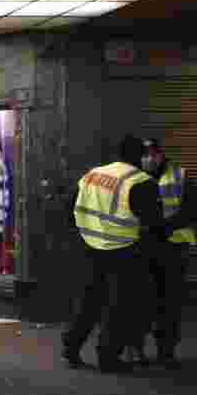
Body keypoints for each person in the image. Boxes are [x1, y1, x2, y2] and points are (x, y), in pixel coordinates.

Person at [62, 135, 163, 373]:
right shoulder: (140, 182)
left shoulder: (92, 175)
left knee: (89, 301)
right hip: (125, 250)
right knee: (120, 306)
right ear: (140, 156)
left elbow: (70, 208)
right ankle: (108, 357)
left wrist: (87, 233)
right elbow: (153, 223)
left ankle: (71, 347)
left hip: (91, 246)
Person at [133, 138, 197, 369]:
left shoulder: (180, 176)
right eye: (145, 154)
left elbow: (193, 210)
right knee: (140, 301)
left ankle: (166, 352)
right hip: (142, 247)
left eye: (154, 154)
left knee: (169, 303)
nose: (150, 159)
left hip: (173, 248)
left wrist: (165, 227)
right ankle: (137, 350)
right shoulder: (133, 177)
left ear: (162, 155)